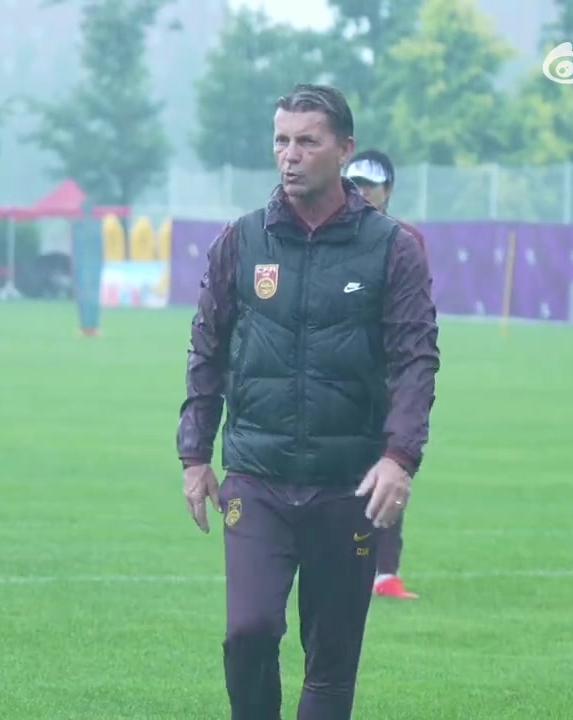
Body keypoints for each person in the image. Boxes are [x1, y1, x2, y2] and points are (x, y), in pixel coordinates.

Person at [177, 83, 440, 720]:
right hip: (256, 477)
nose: (289, 155)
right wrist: (194, 453)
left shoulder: (392, 247)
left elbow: (416, 358)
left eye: (306, 142)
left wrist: (400, 457)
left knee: (331, 662)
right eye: (281, 141)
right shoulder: (243, 240)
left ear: (343, 149)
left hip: (348, 484)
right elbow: (207, 347)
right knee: (249, 632)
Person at [344, 149, 425, 601]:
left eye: (369, 185)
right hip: (339, 372)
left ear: (388, 190)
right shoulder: (334, 235)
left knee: (391, 466)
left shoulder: (405, 240)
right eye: (353, 183)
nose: (360, 193)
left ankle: (385, 572)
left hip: (388, 378)